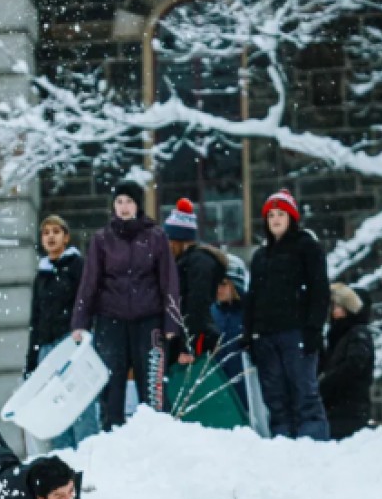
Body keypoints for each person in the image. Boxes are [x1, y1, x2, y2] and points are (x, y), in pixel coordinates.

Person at [71, 181, 181, 429]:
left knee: (153, 386)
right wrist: (80, 322)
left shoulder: (156, 237)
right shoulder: (102, 239)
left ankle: (157, 433)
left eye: (129, 201)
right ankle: (112, 434)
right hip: (111, 321)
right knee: (110, 386)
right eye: (119, 201)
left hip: (148, 320)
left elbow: (169, 281)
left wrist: (171, 322)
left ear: (137, 205)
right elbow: (89, 283)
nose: (124, 207)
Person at [244, 189, 331, 440]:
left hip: (297, 332)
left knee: (304, 395)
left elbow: (319, 290)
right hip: (265, 336)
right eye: (271, 215)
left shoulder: (306, 247)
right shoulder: (260, 256)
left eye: (281, 214)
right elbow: (252, 296)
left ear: (291, 218)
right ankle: (283, 446)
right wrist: (249, 333)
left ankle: (313, 445)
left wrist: (314, 328)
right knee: (275, 399)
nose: (275, 220)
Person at [24, 215, 95, 450]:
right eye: (46, 233)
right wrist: (31, 361)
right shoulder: (41, 275)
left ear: (66, 237)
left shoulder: (77, 266)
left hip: (71, 342)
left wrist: (83, 330)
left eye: (56, 231)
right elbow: (36, 319)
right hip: (46, 348)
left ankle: (87, 452)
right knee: (55, 406)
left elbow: (87, 302)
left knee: (79, 402)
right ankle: (64, 456)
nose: (51, 237)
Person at [162, 197, 229, 410]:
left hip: (195, 341)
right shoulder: (187, 262)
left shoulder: (198, 263)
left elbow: (196, 307)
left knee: (194, 400)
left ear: (178, 240)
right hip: (186, 338)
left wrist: (187, 347)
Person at [318, 284, 374, 440]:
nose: (333, 310)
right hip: (340, 409)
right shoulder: (339, 335)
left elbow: (353, 366)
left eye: (338, 306)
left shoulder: (357, 334)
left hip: (349, 410)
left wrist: (325, 383)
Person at [211, 256, 249, 406]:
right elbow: (199, 346)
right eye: (215, 284)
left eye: (223, 284)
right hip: (217, 388)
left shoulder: (250, 313)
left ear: (235, 285)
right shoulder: (210, 313)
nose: (218, 289)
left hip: (246, 386)